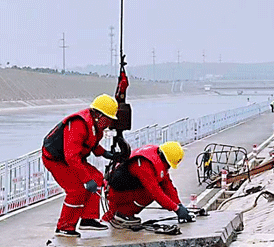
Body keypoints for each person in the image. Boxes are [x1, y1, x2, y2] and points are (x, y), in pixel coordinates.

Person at [41, 94, 124, 237]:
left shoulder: (94, 124)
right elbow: (71, 157)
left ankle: (88, 219)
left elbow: (90, 142)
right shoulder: (78, 124)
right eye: (108, 119)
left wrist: (105, 153)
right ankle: (64, 227)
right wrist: (86, 179)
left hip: (71, 158)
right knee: (76, 190)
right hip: (57, 160)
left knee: (97, 178)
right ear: (99, 115)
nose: (109, 123)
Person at [102, 141, 194, 227]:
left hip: (122, 189)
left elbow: (167, 184)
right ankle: (123, 213)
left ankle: (119, 214)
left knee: (154, 189)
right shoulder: (144, 165)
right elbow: (156, 192)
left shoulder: (156, 157)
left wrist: (179, 204)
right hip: (116, 193)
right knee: (149, 195)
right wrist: (176, 209)